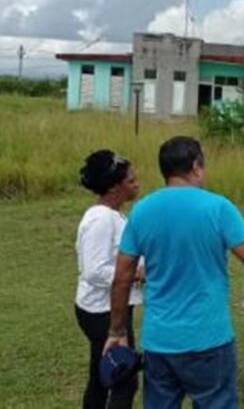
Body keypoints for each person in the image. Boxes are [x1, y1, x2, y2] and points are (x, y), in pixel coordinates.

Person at [104, 136, 244, 409]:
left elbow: (122, 277)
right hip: (209, 339)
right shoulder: (218, 208)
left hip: (159, 341)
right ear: (197, 166)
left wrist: (116, 330)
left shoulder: (141, 211)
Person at [75, 149, 142, 409]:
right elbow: (94, 270)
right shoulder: (101, 219)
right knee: (124, 379)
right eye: (131, 181)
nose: (137, 185)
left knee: (101, 378)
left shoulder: (112, 214)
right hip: (102, 309)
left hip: (109, 305)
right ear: (114, 187)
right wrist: (135, 273)